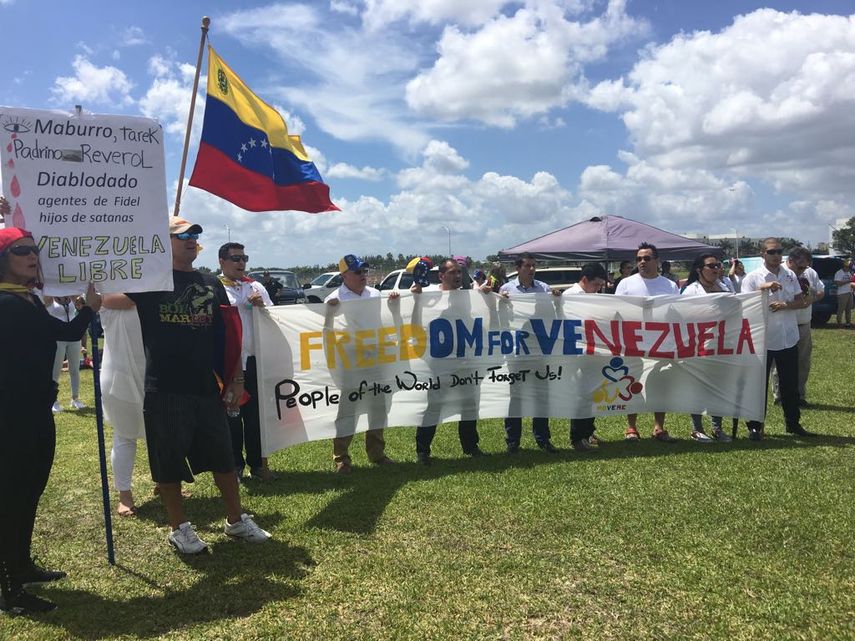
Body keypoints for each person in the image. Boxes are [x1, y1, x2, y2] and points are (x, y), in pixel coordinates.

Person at [105, 216, 271, 554]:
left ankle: (235, 520)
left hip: (207, 388)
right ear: (164, 242)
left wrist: (236, 378)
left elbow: (227, 335)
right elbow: (109, 297)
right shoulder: (150, 282)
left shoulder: (210, 282)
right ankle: (179, 528)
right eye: (183, 235)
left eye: (195, 234)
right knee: (168, 462)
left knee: (224, 457)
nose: (192, 239)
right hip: (165, 387)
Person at [0, 225, 101, 614]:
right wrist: (89, 306)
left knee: (29, 491)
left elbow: (62, 332)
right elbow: (65, 331)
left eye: (33, 250)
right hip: (11, 416)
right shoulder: (8, 303)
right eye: (20, 250)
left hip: (35, 409)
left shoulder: (27, 299)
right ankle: (10, 590)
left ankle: (21, 566)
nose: (31, 255)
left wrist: (86, 306)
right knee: (12, 496)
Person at [325, 254, 397, 473]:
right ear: (344, 275)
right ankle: (341, 457)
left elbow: (386, 318)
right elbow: (326, 329)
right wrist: (329, 313)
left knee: (378, 406)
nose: (363, 275)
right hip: (350, 360)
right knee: (349, 408)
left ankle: (377, 453)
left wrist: (394, 302)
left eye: (364, 271)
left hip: (375, 356)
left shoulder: (375, 294)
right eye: (358, 272)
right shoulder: (334, 298)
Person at [741, 238, 814, 440]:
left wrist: (785, 305)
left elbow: (801, 301)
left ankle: (793, 423)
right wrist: (763, 288)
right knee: (758, 385)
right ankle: (755, 427)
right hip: (762, 340)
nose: (776, 255)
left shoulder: (790, 275)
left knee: (790, 384)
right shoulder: (753, 277)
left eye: (779, 251)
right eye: (772, 252)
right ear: (762, 253)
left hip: (787, 338)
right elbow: (743, 304)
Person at [218, 242, 277, 481]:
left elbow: (274, 318)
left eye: (244, 258)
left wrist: (262, 306)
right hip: (228, 362)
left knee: (255, 417)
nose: (241, 263)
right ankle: (234, 466)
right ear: (221, 261)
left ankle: (258, 464)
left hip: (254, 361)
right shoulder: (215, 288)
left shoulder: (255, 286)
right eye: (235, 258)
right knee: (231, 416)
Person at [414, 259, 483, 464]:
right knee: (434, 406)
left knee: (469, 404)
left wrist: (489, 296)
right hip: (439, 363)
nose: (457, 276)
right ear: (441, 276)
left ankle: (470, 446)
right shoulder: (429, 297)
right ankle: (423, 450)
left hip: (464, 360)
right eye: (452, 272)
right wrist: (413, 297)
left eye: (459, 272)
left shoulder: (467, 296)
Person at [615, 243, 680, 442]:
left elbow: (677, 312)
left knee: (659, 383)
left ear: (657, 261)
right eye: (639, 259)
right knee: (632, 381)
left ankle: (659, 427)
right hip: (632, 341)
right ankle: (631, 427)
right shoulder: (626, 284)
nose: (642, 262)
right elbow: (616, 310)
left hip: (661, 342)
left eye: (647, 258)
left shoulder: (669, 285)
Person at [498, 253, 562, 453]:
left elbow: (551, 315)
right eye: (527, 266)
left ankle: (542, 438)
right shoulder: (507, 289)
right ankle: (513, 441)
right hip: (517, 350)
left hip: (539, 350)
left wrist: (557, 298)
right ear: (518, 268)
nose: (532, 269)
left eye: (534, 266)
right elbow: (500, 317)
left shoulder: (543, 288)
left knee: (540, 396)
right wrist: (501, 301)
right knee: (515, 396)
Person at [100, 297, 147, 517]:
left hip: (151, 369)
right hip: (119, 372)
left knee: (159, 433)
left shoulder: (155, 288)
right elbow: (110, 300)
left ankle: (164, 482)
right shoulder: (107, 292)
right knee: (124, 433)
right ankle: (124, 495)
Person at [681, 254, 733, 443]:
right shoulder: (690, 291)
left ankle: (717, 427)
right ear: (699, 270)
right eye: (711, 266)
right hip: (698, 346)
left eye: (718, 265)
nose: (715, 269)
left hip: (722, 345)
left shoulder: (726, 287)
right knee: (698, 386)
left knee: (718, 387)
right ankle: (697, 428)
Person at [562, 262, 608, 451]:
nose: (598, 288)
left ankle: (588, 431)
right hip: (577, 354)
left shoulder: (593, 296)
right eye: (596, 284)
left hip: (593, 352)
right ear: (585, 280)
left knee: (592, 392)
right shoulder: (570, 297)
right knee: (580, 395)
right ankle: (577, 437)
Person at [771, 247, 824, 407]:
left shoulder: (810, 273)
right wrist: (792, 304)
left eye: (805, 266)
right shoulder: (780, 274)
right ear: (790, 261)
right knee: (780, 364)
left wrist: (811, 299)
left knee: (802, 361)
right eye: (799, 267)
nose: (802, 270)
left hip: (803, 323)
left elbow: (821, 291)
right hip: (784, 324)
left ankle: (799, 395)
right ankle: (779, 396)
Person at [44, 296, 86, 412]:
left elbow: (80, 305)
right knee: (55, 371)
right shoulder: (50, 298)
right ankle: (54, 401)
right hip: (57, 337)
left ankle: (75, 398)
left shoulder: (71, 296)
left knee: (74, 369)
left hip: (73, 336)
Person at [833, 262, 852, 327]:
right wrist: (849, 281)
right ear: (845, 267)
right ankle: (839, 323)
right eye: (848, 268)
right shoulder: (839, 273)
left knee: (848, 309)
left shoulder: (850, 273)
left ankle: (848, 323)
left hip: (850, 292)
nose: (849, 269)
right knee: (841, 309)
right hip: (842, 293)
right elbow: (838, 283)